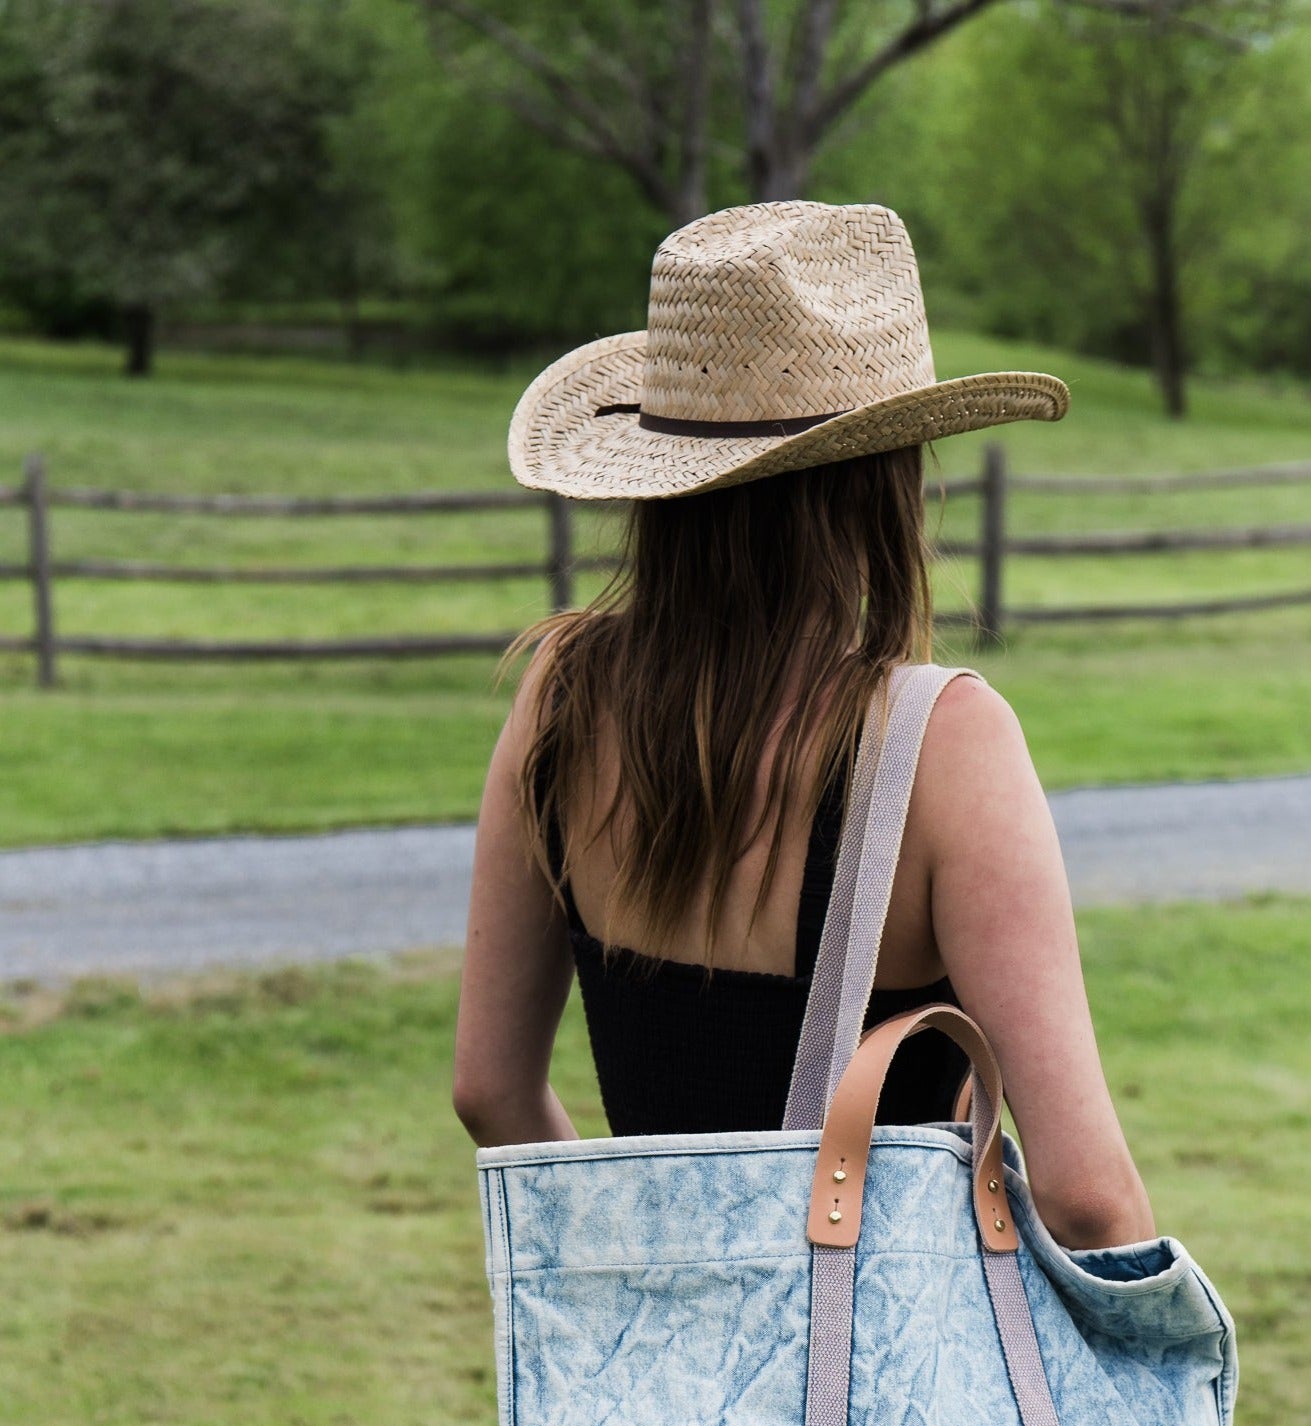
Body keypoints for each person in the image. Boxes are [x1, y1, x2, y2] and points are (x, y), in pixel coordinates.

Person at [452, 200, 1154, 1251]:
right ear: (883, 481)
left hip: (657, 1390)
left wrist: (658, 1275)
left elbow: (490, 1088)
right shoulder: (938, 742)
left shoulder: (560, 691)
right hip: (887, 1398)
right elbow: (1084, 1193)